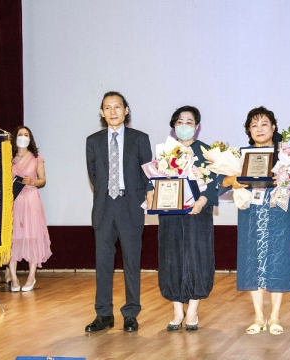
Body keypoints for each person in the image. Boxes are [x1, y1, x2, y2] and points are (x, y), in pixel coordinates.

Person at [220, 106, 290, 335]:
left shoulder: (286, 156)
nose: (259, 129)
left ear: (273, 127)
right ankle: (258, 316)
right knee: (253, 260)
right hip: (250, 212)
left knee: (277, 259)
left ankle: (275, 316)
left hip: (277, 212)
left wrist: (287, 175)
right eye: (254, 125)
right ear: (248, 131)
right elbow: (222, 182)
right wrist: (234, 179)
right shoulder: (240, 157)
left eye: (264, 124)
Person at [85, 91, 153, 333]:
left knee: (131, 262)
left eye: (117, 107)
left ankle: (131, 313)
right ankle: (103, 314)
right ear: (102, 113)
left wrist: (143, 194)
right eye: (107, 107)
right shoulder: (92, 141)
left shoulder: (140, 139)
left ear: (126, 110)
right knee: (102, 263)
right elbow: (95, 176)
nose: (113, 111)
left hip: (130, 206)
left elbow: (149, 174)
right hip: (104, 207)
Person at [150, 106, 218, 332]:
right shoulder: (165, 152)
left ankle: (193, 311)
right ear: (174, 125)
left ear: (196, 127)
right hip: (171, 216)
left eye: (189, 122)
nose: (184, 126)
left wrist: (202, 201)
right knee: (172, 259)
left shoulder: (207, 152)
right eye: (180, 122)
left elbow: (215, 183)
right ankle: (177, 310)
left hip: (197, 215)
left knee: (196, 259)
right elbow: (155, 180)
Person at [6, 126, 52, 292]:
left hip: (31, 199)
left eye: (26, 135)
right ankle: (14, 278)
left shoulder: (36, 158)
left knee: (32, 235)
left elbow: (42, 180)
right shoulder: (8, 158)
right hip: (14, 200)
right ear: (14, 137)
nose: (23, 137)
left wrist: (31, 181)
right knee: (13, 236)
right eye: (20, 134)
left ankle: (31, 277)